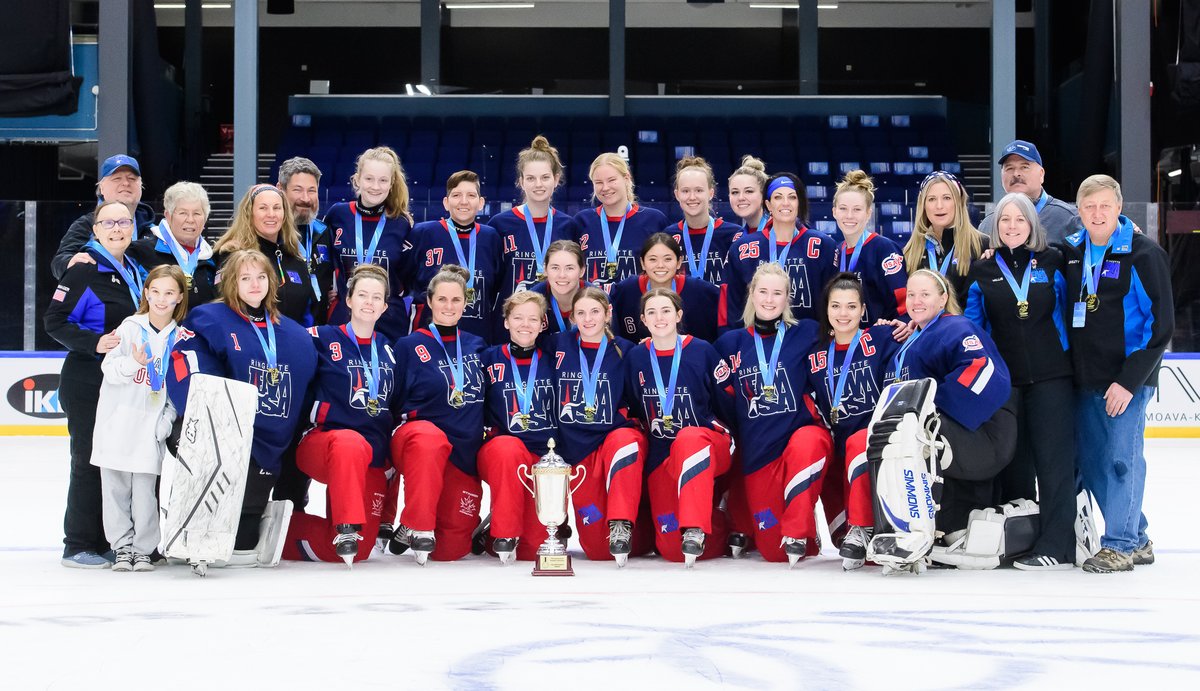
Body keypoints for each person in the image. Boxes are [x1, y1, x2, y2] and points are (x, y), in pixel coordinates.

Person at [167, 249, 318, 566]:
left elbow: (305, 392)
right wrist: (212, 423)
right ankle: (188, 529)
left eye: (261, 277)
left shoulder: (295, 335)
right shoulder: (208, 319)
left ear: (272, 282)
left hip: (269, 442)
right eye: (245, 278)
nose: (254, 284)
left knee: (243, 542)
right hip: (224, 437)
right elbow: (188, 369)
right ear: (231, 282)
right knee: (209, 525)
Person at [1060, 175, 1173, 573]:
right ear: (1079, 212)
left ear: (1119, 208)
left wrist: (1129, 381)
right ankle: (1138, 536)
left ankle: (1120, 544)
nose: (1097, 213)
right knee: (1093, 465)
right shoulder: (1071, 251)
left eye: (1105, 206)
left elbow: (1160, 328)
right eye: (1089, 207)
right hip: (1085, 377)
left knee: (1122, 461)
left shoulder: (1144, 254)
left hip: (1127, 380)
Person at [871, 269, 1016, 571]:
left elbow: (982, 370)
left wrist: (931, 409)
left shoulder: (956, 327)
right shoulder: (916, 337)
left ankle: (935, 528)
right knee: (898, 435)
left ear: (943, 298)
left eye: (925, 294)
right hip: (957, 431)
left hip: (987, 434)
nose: (916, 300)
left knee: (914, 434)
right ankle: (914, 526)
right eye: (911, 294)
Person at [964, 192, 1077, 570]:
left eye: (1020, 219)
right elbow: (974, 329)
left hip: (1052, 377)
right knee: (1015, 462)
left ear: (1032, 225)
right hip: (1005, 382)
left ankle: (1058, 544)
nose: (1012, 226)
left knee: (1054, 463)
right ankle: (1021, 540)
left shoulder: (1054, 260)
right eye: (1005, 220)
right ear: (995, 226)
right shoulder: (981, 270)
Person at [45, 200, 145, 568]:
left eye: (125, 221)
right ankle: (78, 544)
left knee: (111, 461)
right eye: (109, 222)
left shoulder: (132, 267)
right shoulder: (84, 268)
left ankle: (105, 539)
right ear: (96, 229)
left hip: (120, 381)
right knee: (87, 460)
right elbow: (54, 321)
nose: (118, 227)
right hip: (87, 378)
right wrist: (93, 342)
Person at [714, 263, 828, 567]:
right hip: (759, 452)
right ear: (751, 294)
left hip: (798, 437)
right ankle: (747, 524)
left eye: (777, 293)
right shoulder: (730, 343)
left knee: (810, 443)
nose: (769, 299)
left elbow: (849, 331)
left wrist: (891, 326)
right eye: (762, 291)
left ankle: (799, 529)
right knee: (774, 553)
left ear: (788, 298)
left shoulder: (807, 332)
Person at [282, 264, 396, 566]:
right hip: (324, 443)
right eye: (362, 295)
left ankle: (281, 527)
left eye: (376, 297)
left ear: (385, 306)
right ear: (348, 300)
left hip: (369, 455)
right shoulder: (320, 337)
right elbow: (276, 342)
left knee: (357, 552)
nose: (368, 302)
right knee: (349, 442)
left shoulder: (389, 350)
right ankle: (344, 527)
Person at [384, 265, 489, 563]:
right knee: (428, 440)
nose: (448, 306)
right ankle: (418, 521)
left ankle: (413, 518)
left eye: (456, 300)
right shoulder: (408, 346)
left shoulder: (476, 345)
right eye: (442, 299)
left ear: (465, 303)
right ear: (429, 302)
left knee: (451, 550)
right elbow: (393, 401)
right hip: (420, 444)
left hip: (463, 453)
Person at [624, 288, 734, 567]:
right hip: (663, 453)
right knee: (673, 550)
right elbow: (636, 406)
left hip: (706, 443)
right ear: (643, 320)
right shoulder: (636, 357)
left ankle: (696, 526)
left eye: (666, 311)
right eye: (651, 312)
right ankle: (720, 522)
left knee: (688, 437)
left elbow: (727, 402)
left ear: (678, 315)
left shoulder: (702, 350)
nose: (659, 318)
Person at [92, 265, 188, 572]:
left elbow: (177, 388)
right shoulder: (130, 327)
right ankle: (121, 547)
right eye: (156, 292)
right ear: (146, 293)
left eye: (169, 293)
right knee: (116, 489)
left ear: (179, 298)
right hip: (117, 422)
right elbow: (109, 369)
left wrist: (166, 420)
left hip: (151, 424)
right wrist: (133, 363)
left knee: (146, 491)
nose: (161, 299)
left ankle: (144, 549)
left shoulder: (182, 337)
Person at [802, 273, 901, 570]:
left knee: (860, 440)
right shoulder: (815, 354)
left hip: (875, 441)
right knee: (838, 537)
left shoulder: (881, 338)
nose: (843, 314)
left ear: (862, 310)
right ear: (826, 310)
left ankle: (863, 525)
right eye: (836, 306)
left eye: (850, 306)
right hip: (838, 448)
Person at [548, 287, 646, 565]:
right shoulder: (556, 345)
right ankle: (648, 533)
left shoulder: (627, 351)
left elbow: (638, 400)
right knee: (598, 550)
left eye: (594, 311)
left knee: (627, 439)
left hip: (610, 440)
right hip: (576, 452)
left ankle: (622, 523)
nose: (588, 319)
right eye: (580, 312)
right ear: (572, 316)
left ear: (608, 313)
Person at [476, 292, 561, 563]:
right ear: (506, 322)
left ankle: (494, 525)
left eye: (533, 319)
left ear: (542, 324)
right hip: (503, 451)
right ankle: (504, 531)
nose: (525, 324)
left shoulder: (554, 359)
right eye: (518, 318)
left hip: (544, 457)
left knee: (532, 550)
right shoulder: (487, 358)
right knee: (508, 449)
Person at [486, 136, 579, 337]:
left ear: (556, 179)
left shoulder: (569, 226)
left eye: (545, 177)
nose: (538, 184)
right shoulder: (499, 224)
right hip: (511, 329)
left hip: (555, 328)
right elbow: (491, 284)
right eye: (530, 178)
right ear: (521, 182)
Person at [323, 146, 414, 340]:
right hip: (343, 316)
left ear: (391, 184)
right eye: (369, 178)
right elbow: (324, 262)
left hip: (388, 321)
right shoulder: (337, 214)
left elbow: (408, 276)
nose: (375, 186)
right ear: (357, 179)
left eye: (383, 180)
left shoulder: (401, 223)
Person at [725, 172, 839, 327]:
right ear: (768, 204)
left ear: (799, 203)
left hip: (809, 341)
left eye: (792, 197)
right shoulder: (742, 249)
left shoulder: (824, 245)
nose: (786, 203)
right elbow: (733, 306)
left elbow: (834, 300)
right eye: (778, 197)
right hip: (758, 342)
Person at [404, 170, 503, 341]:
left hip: (477, 338)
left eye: (471, 195)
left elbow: (495, 289)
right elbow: (405, 279)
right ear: (446, 202)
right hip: (427, 337)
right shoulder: (423, 233)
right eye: (456, 195)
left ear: (480, 203)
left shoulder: (491, 238)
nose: (464, 201)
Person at [213, 184, 315, 326]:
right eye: (263, 208)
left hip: (292, 342)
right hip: (249, 342)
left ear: (285, 214)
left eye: (277, 208)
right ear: (250, 213)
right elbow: (223, 307)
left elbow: (306, 311)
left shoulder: (295, 257)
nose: (271, 214)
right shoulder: (234, 254)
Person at [52, 154, 156, 281]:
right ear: (101, 187)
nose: (125, 183)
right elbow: (59, 262)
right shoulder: (86, 224)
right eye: (117, 178)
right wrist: (69, 262)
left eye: (132, 178)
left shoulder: (154, 230)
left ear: (141, 186)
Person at [573, 153, 669, 289]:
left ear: (626, 178)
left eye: (612, 180)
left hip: (639, 307)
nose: (605, 187)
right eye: (599, 182)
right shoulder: (582, 221)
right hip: (593, 308)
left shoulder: (654, 220)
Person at [609, 233, 726, 343]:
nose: (660, 265)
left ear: (679, 262)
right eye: (652, 259)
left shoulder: (702, 291)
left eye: (668, 259)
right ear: (643, 263)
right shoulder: (625, 291)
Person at [127, 181, 218, 310]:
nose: (190, 220)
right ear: (168, 216)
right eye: (183, 213)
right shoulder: (139, 252)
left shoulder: (213, 259)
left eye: (197, 213)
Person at [902, 171, 989, 307]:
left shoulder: (983, 245)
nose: (939, 206)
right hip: (925, 328)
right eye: (931, 199)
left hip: (967, 327)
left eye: (947, 198)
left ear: (959, 202)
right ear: (923, 205)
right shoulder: (910, 252)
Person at [832, 170, 908, 324]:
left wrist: (900, 324)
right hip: (845, 338)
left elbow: (903, 302)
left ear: (868, 213)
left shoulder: (884, 248)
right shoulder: (837, 252)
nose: (849, 215)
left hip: (879, 339)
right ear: (834, 212)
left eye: (857, 209)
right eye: (843, 208)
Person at [977, 140, 1078, 245]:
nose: (1016, 174)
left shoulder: (1069, 219)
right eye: (1010, 168)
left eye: (1024, 167)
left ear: (1041, 174)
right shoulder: (988, 224)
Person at [277, 156, 336, 326]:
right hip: (281, 336)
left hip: (320, 334)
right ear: (280, 189)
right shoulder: (270, 235)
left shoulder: (325, 232)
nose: (306, 198)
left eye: (311, 190)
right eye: (298, 190)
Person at [668, 156, 740, 284]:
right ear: (677, 194)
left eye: (699, 190)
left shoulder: (733, 235)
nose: (692, 197)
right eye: (685, 191)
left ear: (711, 193)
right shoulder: (668, 236)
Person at [527, 240, 588, 336]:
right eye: (555, 268)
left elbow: (611, 344)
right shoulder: (530, 301)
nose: (562, 275)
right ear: (545, 269)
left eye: (569, 268)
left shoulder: (599, 300)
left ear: (582, 271)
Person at [726, 155, 770, 234]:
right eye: (735, 192)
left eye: (749, 191)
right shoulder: (735, 237)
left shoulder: (782, 231)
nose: (741, 197)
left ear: (764, 194)